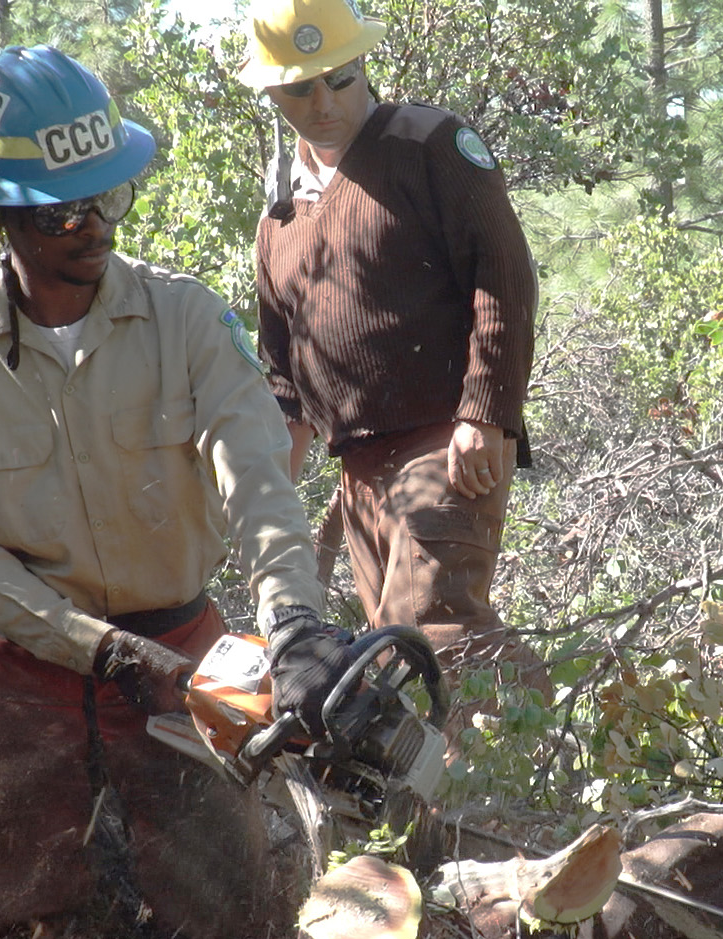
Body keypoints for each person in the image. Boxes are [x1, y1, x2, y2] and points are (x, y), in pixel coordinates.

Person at [0, 44, 356, 939]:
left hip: (186, 655)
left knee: (232, 933)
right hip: (28, 674)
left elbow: (257, 473)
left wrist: (293, 620)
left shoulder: (183, 319)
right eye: (64, 211)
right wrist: (100, 651)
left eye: (106, 197)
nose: (95, 226)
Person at [237, 0, 549, 714]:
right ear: (270, 92)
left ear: (363, 64)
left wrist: (486, 413)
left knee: (434, 636)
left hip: (444, 442)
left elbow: (502, 273)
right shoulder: (279, 216)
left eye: (340, 78)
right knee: (388, 663)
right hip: (359, 471)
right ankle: (434, 819)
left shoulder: (427, 142)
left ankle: (537, 772)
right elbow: (282, 369)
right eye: (299, 88)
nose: (324, 103)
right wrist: (276, 483)